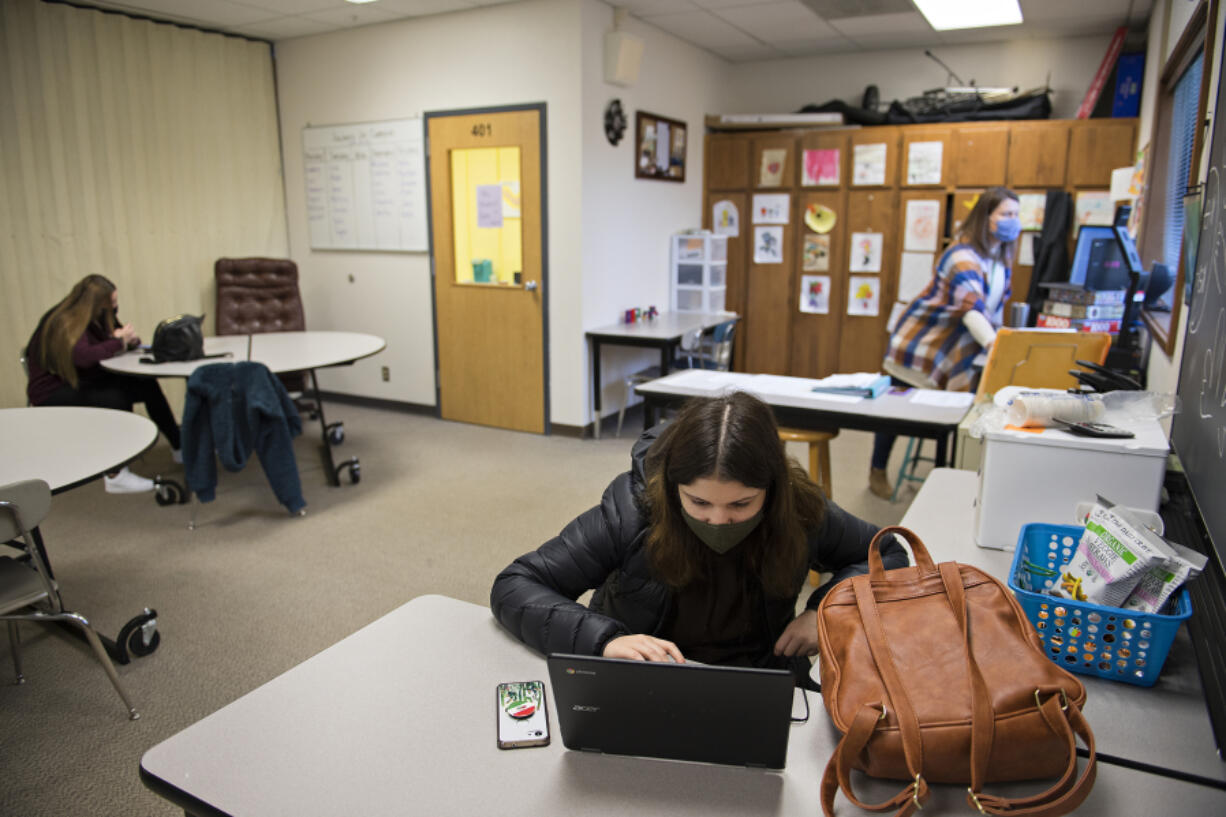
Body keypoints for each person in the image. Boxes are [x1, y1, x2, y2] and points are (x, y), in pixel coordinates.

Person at [490, 391, 907, 686]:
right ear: (673, 489)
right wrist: (605, 641)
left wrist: (827, 611)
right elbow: (516, 584)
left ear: (772, 490)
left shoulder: (798, 507)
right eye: (699, 502)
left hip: (757, 679)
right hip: (642, 680)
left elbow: (887, 551)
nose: (719, 520)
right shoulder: (633, 509)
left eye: (741, 505)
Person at [868, 186, 1021, 500]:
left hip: (951, 347)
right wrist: (997, 347)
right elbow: (972, 309)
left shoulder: (999, 259)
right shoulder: (961, 255)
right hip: (919, 346)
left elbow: (994, 310)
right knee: (894, 415)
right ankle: (877, 471)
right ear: (985, 217)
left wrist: (1002, 341)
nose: (1012, 221)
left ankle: (945, 475)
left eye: (1016, 215)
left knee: (947, 413)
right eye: (1006, 214)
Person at [25, 274, 181, 493]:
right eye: (112, 305)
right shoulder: (65, 320)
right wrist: (118, 341)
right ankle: (116, 474)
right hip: (52, 391)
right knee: (116, 396)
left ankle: (178, 446)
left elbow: (111, 341)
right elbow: (85, 357)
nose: (115, 309)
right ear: (95, 305)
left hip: (84, 379)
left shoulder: (96, 317)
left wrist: (130, 340)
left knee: (146, 384)